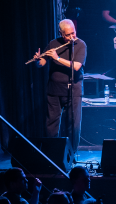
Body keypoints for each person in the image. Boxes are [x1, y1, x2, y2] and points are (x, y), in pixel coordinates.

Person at [34, 19, 86, 153]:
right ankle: (52, 153)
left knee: (73, 125)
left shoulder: (81, 44)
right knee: (51, 124)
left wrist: (57, 58)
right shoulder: (53, 43)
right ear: (61, 33)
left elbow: (76, 66)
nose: (71, 37)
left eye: (73, 33)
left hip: (73, 90)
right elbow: (43, 62)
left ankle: (71, 154)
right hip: (54, 90)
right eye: (67, 35)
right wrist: (38, 61)